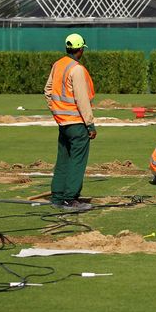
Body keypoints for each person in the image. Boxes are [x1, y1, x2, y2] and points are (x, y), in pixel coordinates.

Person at [44, 33, 97, 212]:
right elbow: (82, 99)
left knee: (63, 160)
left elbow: (48, 90)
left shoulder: (58, 65)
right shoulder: (77, 69)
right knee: (77, 161)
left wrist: (56, 110)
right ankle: (70, 199)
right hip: (77, 122)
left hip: (62, 122)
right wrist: (90, 124)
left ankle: (57, 196)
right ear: (80, 49)